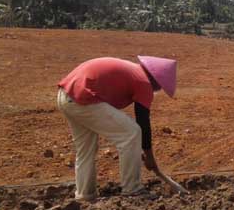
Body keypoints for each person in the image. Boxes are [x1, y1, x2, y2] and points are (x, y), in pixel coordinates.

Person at [56, 56, 177, 200]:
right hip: (84, 97)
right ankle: (133, 189)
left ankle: (85, 195)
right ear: (156, 79)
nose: (157, 90)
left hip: (66, 96)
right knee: (131, 133)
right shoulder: (143, 81)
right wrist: (149, 157)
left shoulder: (132, 70)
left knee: (86, 150)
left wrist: (138, 149)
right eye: (159, 86)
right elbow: (143, 122)